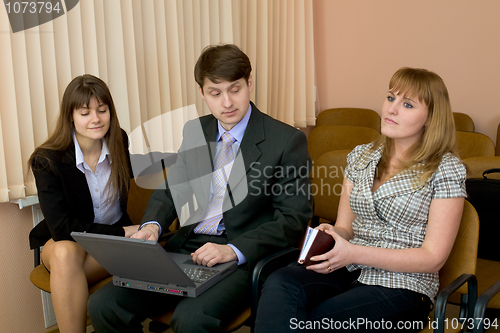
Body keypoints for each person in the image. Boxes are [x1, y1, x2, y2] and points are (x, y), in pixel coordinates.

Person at [88, 44, 313, 333]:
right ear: (202, 93)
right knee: (104, 305)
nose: (227, 102)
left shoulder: (286, 140)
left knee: (191, 320)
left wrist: (232, 250)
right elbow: (172, 188)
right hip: (187, 247)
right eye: (215, 93)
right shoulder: (197, 130)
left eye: (235, 89)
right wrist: (153, 225)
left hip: (241, 256)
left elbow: (293, 220)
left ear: (250, 84)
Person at [254, 67, 467, 332]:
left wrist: (354, 251)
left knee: (316, 321)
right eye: (391, 98)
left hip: (405, 285)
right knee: (280, 281)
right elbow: (346, 227)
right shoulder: (362, 156)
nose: (392, 109)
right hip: (349, 267)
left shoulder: (446, 168)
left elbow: (433, 257)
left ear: (431, 118)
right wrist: (333, 232)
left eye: (408, 104)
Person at [28, 74, 138, 333]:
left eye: (102, 110)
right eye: (85, 113)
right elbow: (61, 228)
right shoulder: (47, 160)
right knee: (66, 253)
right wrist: (122, 232)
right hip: (67, 241)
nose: (96, 119)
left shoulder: (118, 139)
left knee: (69, 266)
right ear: (70, 117)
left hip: (108, 245)